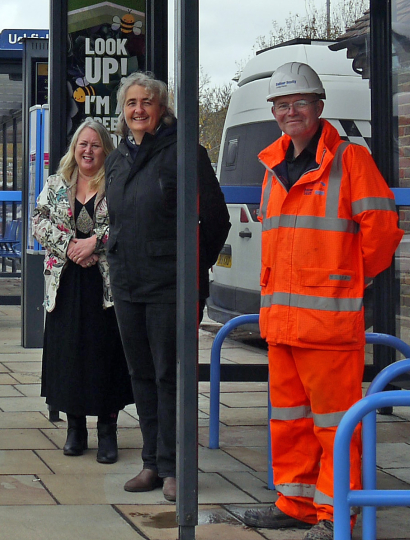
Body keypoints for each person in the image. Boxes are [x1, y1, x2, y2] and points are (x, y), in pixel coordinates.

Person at [238, 63, 402, 540]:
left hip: (328, 322)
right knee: (289, 421)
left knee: (336, 426)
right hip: (283, 322)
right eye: (282, 105)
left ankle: (336, 515)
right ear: (274, 112)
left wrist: (345, 281)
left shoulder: (350, 160)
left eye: (300, 104)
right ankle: (295, 504)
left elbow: (383, 231)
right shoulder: (273, 165)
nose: (291, 113)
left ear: (319, 107)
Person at [104, 72, 230, 501]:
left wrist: (193, 270)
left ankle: (177, 467)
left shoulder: (186, 154)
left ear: (162, 108)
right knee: (140, 375)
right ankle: (152, 463)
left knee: (170, 376)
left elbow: (216, 221)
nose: (138, 110)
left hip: (169, 286)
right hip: (127, 284)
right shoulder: (118, 158)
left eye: (146, 102)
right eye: (131, 103)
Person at [31, 119, 134, 464]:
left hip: (104, 288)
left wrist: (95, 244)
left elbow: (127, 224)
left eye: (94, 145)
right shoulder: (56, 184)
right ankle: (75, 430)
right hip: (65, 284)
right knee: (68, 356)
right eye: (82, 144)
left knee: (104, 357)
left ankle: (108, 432)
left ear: (106, 148)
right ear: (74, 150)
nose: (87, 151)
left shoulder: (118, 183)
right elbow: (39, 221)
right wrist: (72, 245)